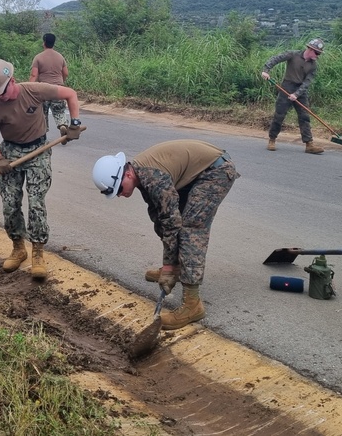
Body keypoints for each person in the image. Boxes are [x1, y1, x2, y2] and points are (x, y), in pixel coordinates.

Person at [91, 139, 237, 330]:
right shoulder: (141, 176)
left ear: (127, 173)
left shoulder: (153, 178)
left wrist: (168, 265)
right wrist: (170, 265)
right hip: (198, 174)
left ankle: (192, 305)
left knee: (190, 231)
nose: (119, 195)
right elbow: (160, 217)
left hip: (215, 172)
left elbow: (172, 223)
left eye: (118, 188)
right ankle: (176, 268)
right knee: (163, 222)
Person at [0, 58, 84, 280]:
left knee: (36, 203)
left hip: (38, 150)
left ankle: (38, 252)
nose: (1, 97)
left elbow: (70, 94)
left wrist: (73, 124)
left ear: (13, 81)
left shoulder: (34, 91)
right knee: (10, 204)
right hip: (10, 153)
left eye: (3, 91)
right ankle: (18, 248)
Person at [260, 38, 326, 154]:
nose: (317, 55)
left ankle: (309, 144)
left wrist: (296, 94)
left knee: (304, 117)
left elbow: (307, 82)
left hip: (300, 91)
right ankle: (272, 140)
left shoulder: (313, 66)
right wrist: (266, 70)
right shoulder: (293, 54)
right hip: (287, 86)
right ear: (310, 49)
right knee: (279, 115)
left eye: (319, 53)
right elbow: (276, 59)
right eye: (317, 52)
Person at [29, 33, 70, 133]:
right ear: (53, 43)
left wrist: (29, 89)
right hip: (57, 89)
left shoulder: (38, 58)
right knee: (59, 110)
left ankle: (43, 131)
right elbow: (66, 73)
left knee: (42, 113)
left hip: (43, 90)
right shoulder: (60, 57)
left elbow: (34, 75)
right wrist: (61, 82)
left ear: (44, 43)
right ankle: (62, 124)